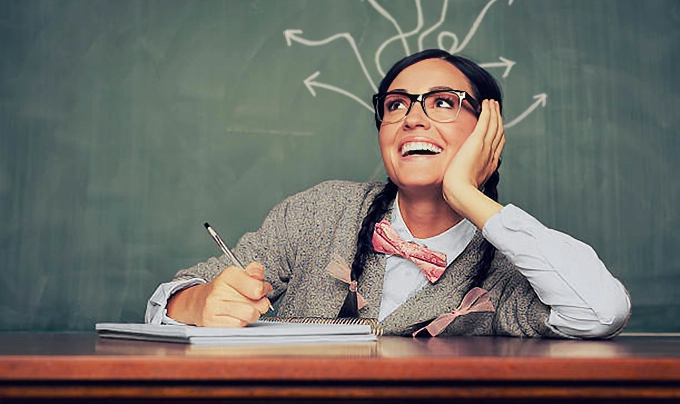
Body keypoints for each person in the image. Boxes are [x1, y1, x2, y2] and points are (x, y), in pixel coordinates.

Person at [146, 49, 631, 338]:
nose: (412, 118)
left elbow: (600, 310)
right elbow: (170, 298)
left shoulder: (508, 269)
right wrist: (199, 302)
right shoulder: (319, 211)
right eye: (396, 105)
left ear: (489, 128)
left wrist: (465, 193)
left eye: (443, 103)